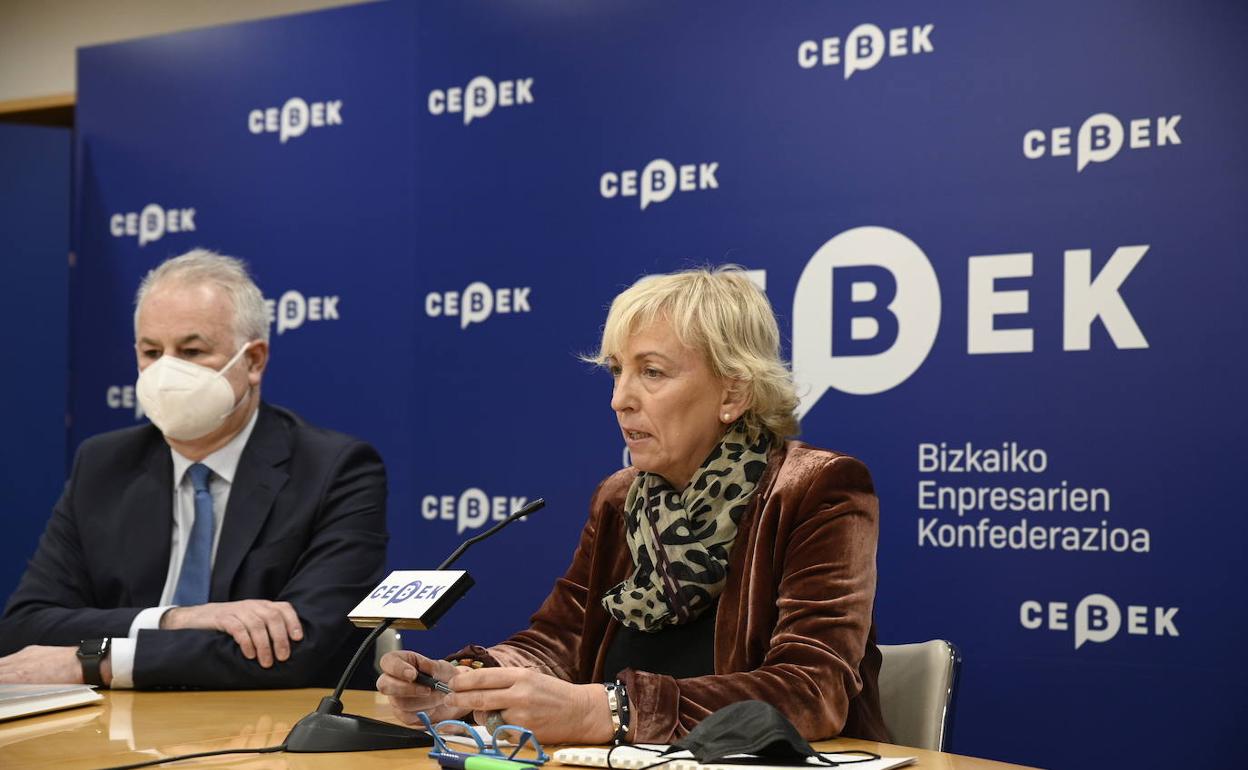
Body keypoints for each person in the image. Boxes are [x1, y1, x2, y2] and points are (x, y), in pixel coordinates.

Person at [377, 266, 887, 744]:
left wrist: (612, 711)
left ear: (733, 392)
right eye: (618, 371)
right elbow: (562, 639)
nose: (620, 398)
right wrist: (467, 685)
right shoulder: (621, 498)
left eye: (652, 372)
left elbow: (811, 690)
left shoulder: (815, 488)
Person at [0, 249, 388, 690]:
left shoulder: (334, 470)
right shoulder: (103, 463)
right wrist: (175, 619)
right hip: (117, 731)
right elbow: (25, 628)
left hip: (261, 736)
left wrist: (96, 660)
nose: (166, 370)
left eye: (191, 350)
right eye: (151, 351)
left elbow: (304, 647)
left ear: (254, 360)